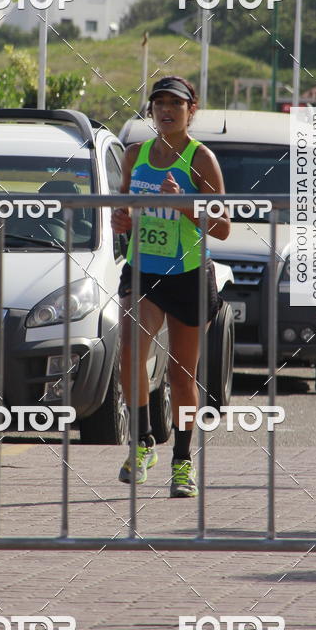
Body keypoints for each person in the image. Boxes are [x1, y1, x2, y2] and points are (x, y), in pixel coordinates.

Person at [111, 76, 230, 497]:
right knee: (129, 349)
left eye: (175, 105)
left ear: (190, 110)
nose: (166, 111)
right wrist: (120, 220)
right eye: (159, 104)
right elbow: (122, 208)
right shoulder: (134, 155)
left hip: (189, 274)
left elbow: (223, 228)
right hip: (142, 269)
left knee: (182, 377)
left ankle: (182, 460)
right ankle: (142, 441)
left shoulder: (202, 160)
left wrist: (186, 205)